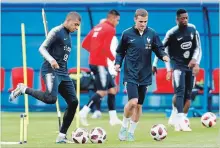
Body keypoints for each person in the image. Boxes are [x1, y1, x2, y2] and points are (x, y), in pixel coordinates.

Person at [9, 12, 81, 143]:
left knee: (74, 102)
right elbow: (42, 48)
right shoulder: (56, 31)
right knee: (51, 99)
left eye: (78, 26)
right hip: (50, 70)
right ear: (69, 20)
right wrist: (51, 59)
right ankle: (23, 89)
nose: (76, 28)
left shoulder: (68, 35)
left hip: (63, 73)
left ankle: (61, 136)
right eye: (75, 24)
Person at [115, 8, 170, 141]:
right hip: (130, 74)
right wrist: (118, 63)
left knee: (139, 105)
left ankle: (131, 132)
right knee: (133, 102)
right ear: (135, 19)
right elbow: (120, 52)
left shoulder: (152, 33)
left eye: (145, 21)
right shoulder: (127, 34)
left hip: (145, 74)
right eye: (140, 21)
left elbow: (159, 49)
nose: (143, 24)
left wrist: (164, 56)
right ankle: (123, 126)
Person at [152, 8, 202, 131]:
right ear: (177, 19)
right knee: (180, 92)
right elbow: (161, 49)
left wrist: (196, 62)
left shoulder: (193, 29)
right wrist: (155, 64)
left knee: (188, 96)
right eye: (182, 18)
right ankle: (181, 121)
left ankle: (178, 115)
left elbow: (198, 48)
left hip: (190, 66)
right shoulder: (172, 33)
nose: (185, 20)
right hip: (178, 66)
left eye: (186, 18)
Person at [79, 10, 122, 126]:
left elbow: (85, 44)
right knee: (102, 92)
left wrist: (94, 53)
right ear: (112, 18)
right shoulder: (110, 29)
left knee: (113, 89)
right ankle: (83, 112)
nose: (117, 23)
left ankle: (113, 119)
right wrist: (115, 60)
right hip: (100, 64)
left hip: (96, 62)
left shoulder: (97, 27)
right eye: (117, 20)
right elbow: (105, 48)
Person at [91, 19, 120, 124]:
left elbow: (115, 52)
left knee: (111, 91)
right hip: (102, 67)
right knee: (101, 91)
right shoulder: (100, 38)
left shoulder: (114, 38)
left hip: (111, 68)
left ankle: (112, 117)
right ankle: (91, 111)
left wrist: (116, 64)